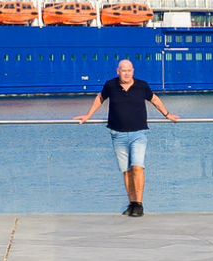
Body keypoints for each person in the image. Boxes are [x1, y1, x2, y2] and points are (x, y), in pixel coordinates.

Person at [74, 58, 179, 216]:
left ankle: (139, 204)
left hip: (139, 133)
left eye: (129, 70)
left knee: (138, 167)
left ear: (133, 71)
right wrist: (88, 115)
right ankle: (131, 203)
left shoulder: (142, 86)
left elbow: (155, 100)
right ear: (118, 71)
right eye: (124, 70)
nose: (126, 73)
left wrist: (167, 114)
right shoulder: (110, 85)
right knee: (127, 171)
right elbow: (100, 99)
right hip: (118, 134)